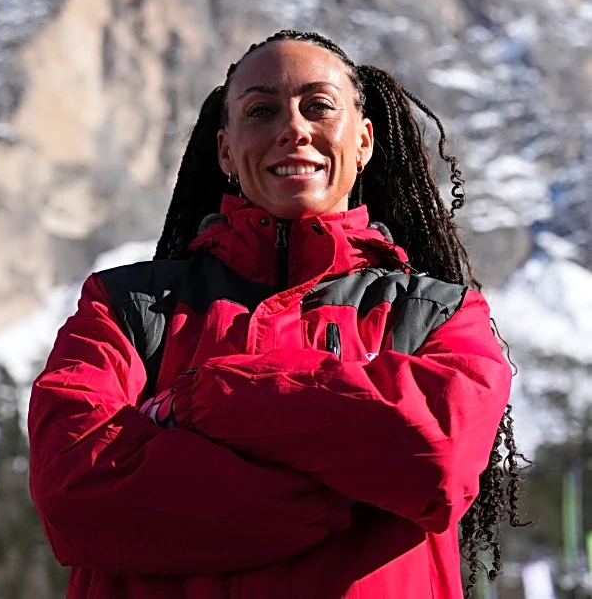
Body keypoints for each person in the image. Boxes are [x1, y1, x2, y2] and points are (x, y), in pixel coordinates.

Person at [28, 30, 525, 599]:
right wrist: (339, 492)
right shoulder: (126, 306)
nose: (292, 129)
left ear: (363, 142)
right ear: (224, 151)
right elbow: (75, 484)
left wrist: (199, 403)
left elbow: (438, 452)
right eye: (262, 110)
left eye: (318, 106)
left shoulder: (439, 314)